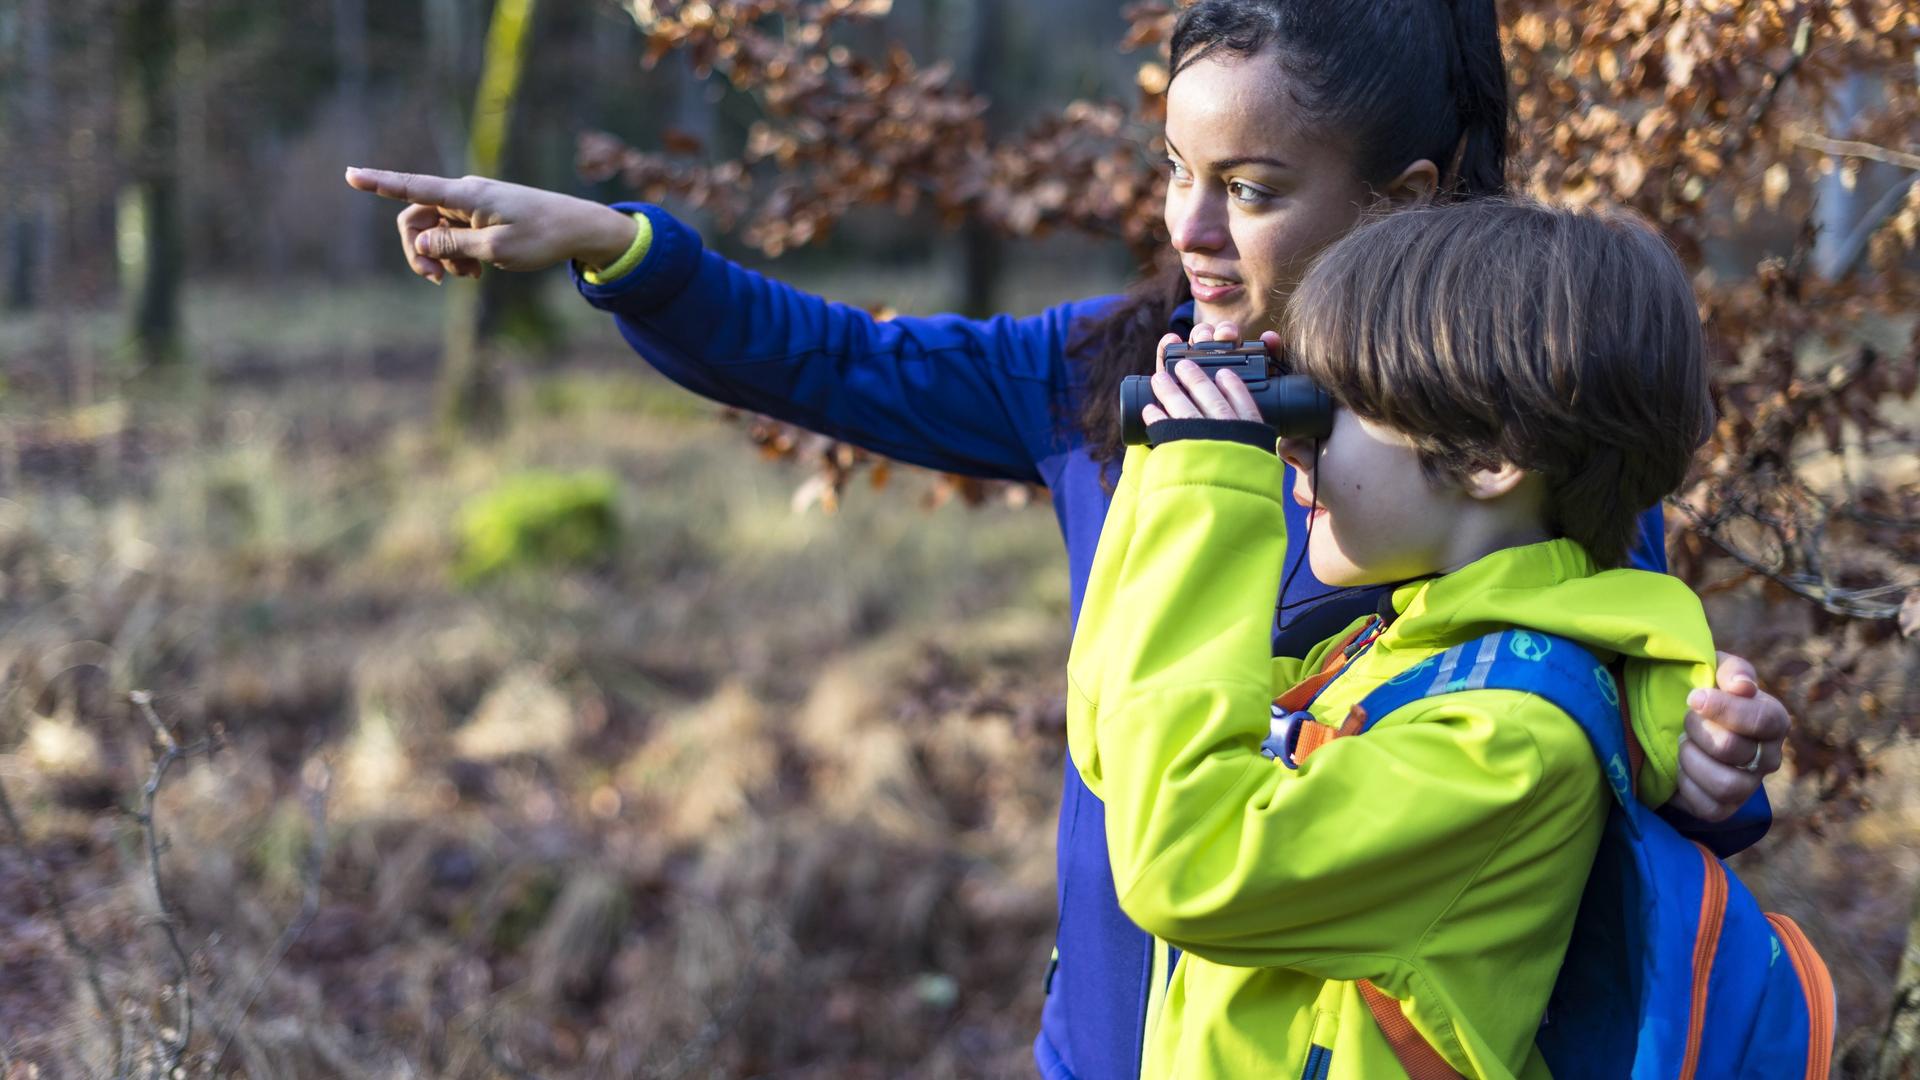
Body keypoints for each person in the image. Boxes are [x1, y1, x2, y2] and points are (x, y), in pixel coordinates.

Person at [343, 2, 1792, 1075]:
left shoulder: (1496, 443)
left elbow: (1589, 697)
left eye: (1255, 188)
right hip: (1107, 1038)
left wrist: (1700, 761)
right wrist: (615, 245)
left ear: (1403, 197)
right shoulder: (1111, 375)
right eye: (1177, 170)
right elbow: (841, 361)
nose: (1196, 232)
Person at [1075, 197, 1719, 1078]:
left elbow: (1185, 861)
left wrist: (1213, 490)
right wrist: (1166, 472)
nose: (1295, 446)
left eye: (1330, 407)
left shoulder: (1506, 745)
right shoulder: (1396, 656)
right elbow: (1118, 742)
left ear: (1490, 457)